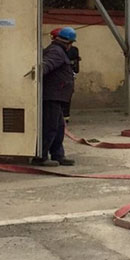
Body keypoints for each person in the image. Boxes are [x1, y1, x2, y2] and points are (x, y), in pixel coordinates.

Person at [33, 27, 78, 167]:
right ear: (69, 42)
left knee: (58, 127)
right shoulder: (56, 52)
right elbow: (46, 65)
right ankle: (41, 156)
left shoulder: (58, 50)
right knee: (50, 127)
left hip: (57, 96)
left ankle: (58, 155)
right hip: (51, 96)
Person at [49, 28, 81, 123]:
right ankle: (64, 118)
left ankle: (63, 119)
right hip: (61, 84)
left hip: (60, 84)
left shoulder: (54, 50)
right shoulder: (58, 51)